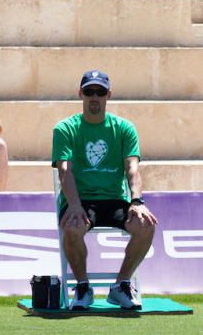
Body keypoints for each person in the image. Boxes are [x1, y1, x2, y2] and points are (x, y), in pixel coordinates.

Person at [52, 70, 157, 311]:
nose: (94, 97)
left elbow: (132, 168)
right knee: (72, 225)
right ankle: (82, 286)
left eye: (100, 92)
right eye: (89, 92)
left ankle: (121, 285)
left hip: (114, 200)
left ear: (108, 95)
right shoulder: (65, 129)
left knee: (146, 225)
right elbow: (64, 172)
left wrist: (137, 201)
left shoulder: (124, 128)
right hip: (81, 198)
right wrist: (75, 205)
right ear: (81, 94)